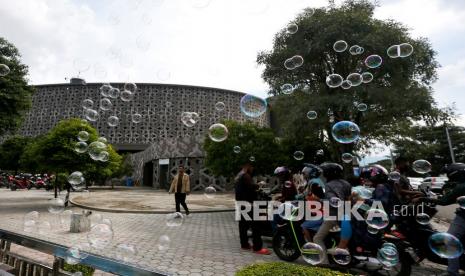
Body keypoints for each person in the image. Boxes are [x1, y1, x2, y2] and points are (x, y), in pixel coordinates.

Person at [421, 163, 465, 276]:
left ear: (454, 174)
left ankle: (452, 272)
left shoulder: (461, 186)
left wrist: (424, 198)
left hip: (463, 217)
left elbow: (445, 201)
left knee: (450, 241)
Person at [313, 163, 352, 263]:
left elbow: (334, 202)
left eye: (324, 173)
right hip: (347, 215)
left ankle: (324, 263)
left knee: (317, 238)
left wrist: (319, 200)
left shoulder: (329, 186)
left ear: (328, 174)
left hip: (334, 216)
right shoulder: (346, 183)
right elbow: (348, 199)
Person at [235, 162, 271, 255]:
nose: (253, 168)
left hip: (241, 204)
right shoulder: (246, 176)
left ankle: (245, 245)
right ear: (247, 166)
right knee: (256, 226)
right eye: (251, 166)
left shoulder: (239, 176)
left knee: (243, 225)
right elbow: (252, 187)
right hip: (249, 204)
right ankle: (257, 248)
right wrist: (260, 184)